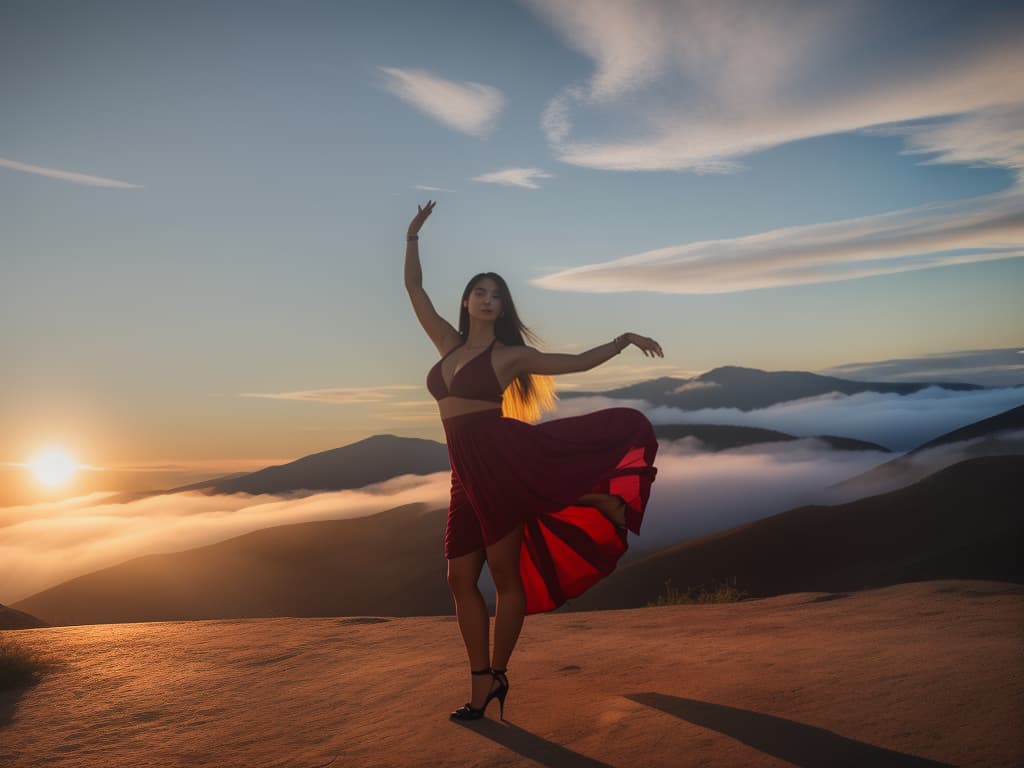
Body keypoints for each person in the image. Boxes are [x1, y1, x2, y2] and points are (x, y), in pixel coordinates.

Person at [405, 200, 661, 722]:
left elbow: (572, 362)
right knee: (458, 581)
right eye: (480, 292)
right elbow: (414, 290)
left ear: (503, 308)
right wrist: (411, 236)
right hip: (464, 475)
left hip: (496, 463)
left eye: (496, 296)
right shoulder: (446, 344)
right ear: (466, 300)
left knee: (502, 576)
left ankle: (494, 676)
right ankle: (482, 675)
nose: (487, 299)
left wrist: (623, 340)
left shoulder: (508, 357)